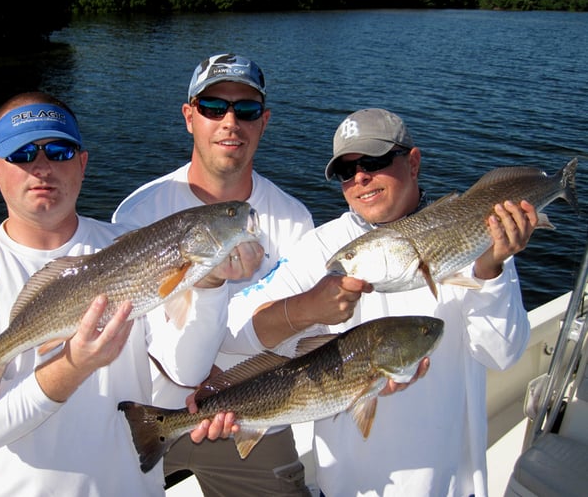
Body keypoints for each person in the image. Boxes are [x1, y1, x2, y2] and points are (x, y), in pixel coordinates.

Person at [0, 91, 251, 497]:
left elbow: (185, 370)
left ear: (82, 163)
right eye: (22, 154)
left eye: (59, 151)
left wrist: (210, 284)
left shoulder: (131, 246)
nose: (42, 168)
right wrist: (72, 365)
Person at [227, 108, 536, 496]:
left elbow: (502, 356)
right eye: (345, 171)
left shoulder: (470, 234)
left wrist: (490, 269)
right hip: (346, 488)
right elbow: (235, 330)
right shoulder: (325, 247)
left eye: (374, 161)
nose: (360, 178)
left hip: (448, 485)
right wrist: (305, 308)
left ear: (414, 162)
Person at [112, 53, 315, 496]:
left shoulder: (295, 219)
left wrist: (226, 390)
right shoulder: (140, 211)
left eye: (245, 110)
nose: (230, 122)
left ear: (263, 122)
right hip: (142, 411)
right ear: (189, 117)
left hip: (248, 416)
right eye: (212, 107)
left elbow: (296, 340)